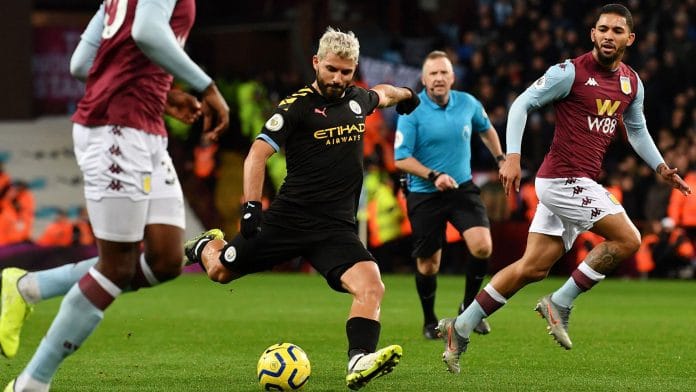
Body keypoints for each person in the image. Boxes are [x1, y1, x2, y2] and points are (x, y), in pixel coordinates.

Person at [436, 4, 691, 374]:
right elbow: (522, 103)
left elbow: (636, 130)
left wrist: (661, 167)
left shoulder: (631, 82)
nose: (608, 36)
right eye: (602, 29)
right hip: (561, 179)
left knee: (532, 267)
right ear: (592, 33)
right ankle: (561, 302)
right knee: (629, 240)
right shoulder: (569, 72)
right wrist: (511, 156)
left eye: (617, 31)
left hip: (578, 181)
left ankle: (461, 326)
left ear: (630, 39)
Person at [3, 0, 229, 390]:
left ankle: (26, 287)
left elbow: (80, 64)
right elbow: (145, 31)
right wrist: (205, 86)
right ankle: (31, 383)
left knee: (166, 259)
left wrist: (159, 94)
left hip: (144, 128)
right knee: (117, 267)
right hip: (115, 130)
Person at [183, 27, 420, 391]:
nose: (338, 79)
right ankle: (205, 246)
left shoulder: (358, 100)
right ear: (316, 63)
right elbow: (256, 155)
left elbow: (383, 94)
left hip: (334, 229)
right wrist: (250, 207)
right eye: (331, 70)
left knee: (372, 285)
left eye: (345, 71)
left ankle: (358, 360)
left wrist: (406, 95)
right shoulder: (295, 108)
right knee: (219, 273)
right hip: (288, 221)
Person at [393, 50, 505, 339]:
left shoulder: (467, 103)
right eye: (433, 73)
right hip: (424, 193)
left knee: (482, 245)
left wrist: (501, 159)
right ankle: (429, 320)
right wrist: (433, 175)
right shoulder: (411, 110)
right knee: (430, 264)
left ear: (453, 77)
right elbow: (401, 158)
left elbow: (487, 129)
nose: (439, 78)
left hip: (461, 187)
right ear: (424, 79)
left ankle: (469, 308)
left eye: (444, 72)